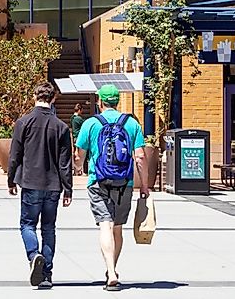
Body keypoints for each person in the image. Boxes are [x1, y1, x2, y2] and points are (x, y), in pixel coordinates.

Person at [74, 85, 149, 292]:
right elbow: (140, 156)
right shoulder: (132, 123)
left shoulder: (90, 123)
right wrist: (144, 184)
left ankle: (111, 271)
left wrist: (78, 168)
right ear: (117, 101)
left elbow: (79, 155)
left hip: (98, 180)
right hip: (124, 183)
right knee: (117, 227)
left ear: (100, 101)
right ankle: (112, 269)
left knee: (104, 225)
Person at [8, 82, 73, 290]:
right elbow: (65, 163)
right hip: (53, 185)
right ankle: (46, 274)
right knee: (48, 228)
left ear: (34, 96)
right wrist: (68, 189)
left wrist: (11, 180)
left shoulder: (23, 122)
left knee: (27, 224)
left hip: (30, 181)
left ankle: (33, 254)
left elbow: (15, 155)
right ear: (53, 99)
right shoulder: (61, 127)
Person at [70, 104, 85, 175]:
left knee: (75, 154)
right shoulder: (78, 118)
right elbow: (84, 125)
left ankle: (76, 170)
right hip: (79, 137)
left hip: (74, 137)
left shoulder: (72, 118)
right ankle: (79, 170)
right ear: (79, 110)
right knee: (79, 155)